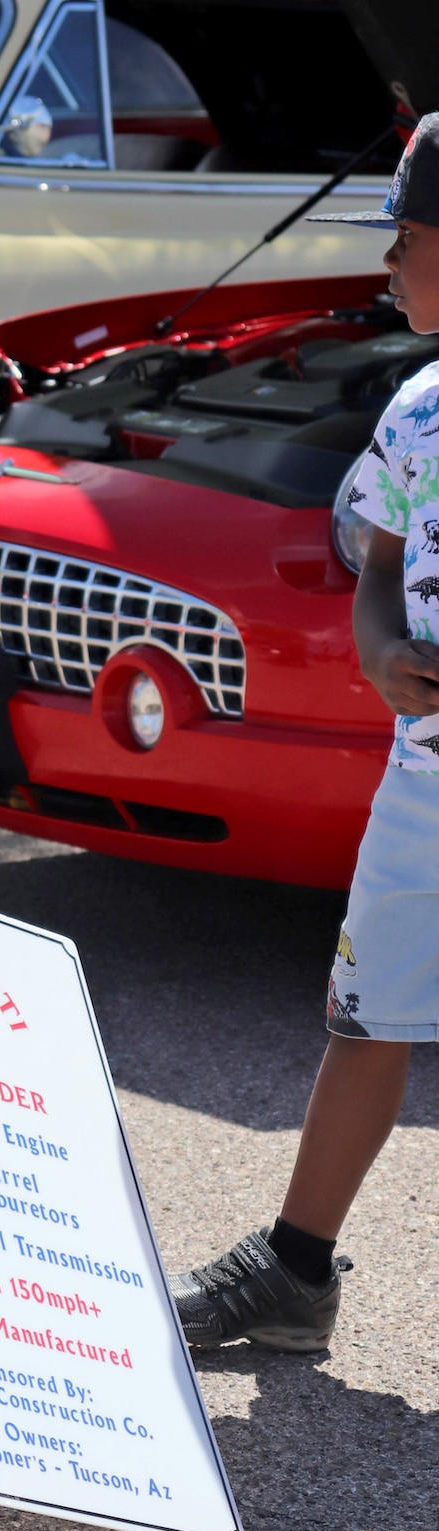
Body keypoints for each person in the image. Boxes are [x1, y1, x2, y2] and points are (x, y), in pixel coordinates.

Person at [172, 113, 439, 1351]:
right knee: (365, 1011)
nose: (387, 267)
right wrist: (382, 649)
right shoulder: (418, 408)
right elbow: (374, 563)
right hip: (423, 783)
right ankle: (294, 1267)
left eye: (407, 238)